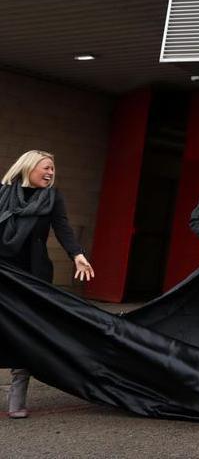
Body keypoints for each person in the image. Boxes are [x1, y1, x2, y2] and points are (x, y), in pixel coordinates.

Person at [0, 150, 95, 419]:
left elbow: (63, 228)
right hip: (3, 271)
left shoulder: (53, 198)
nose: (51, 173)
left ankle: (16, 399)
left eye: (53, 168)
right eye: (46, 167)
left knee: (25, 331)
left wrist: (77, 255)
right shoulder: (3, 192)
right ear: (29, 167)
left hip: (33, 275)